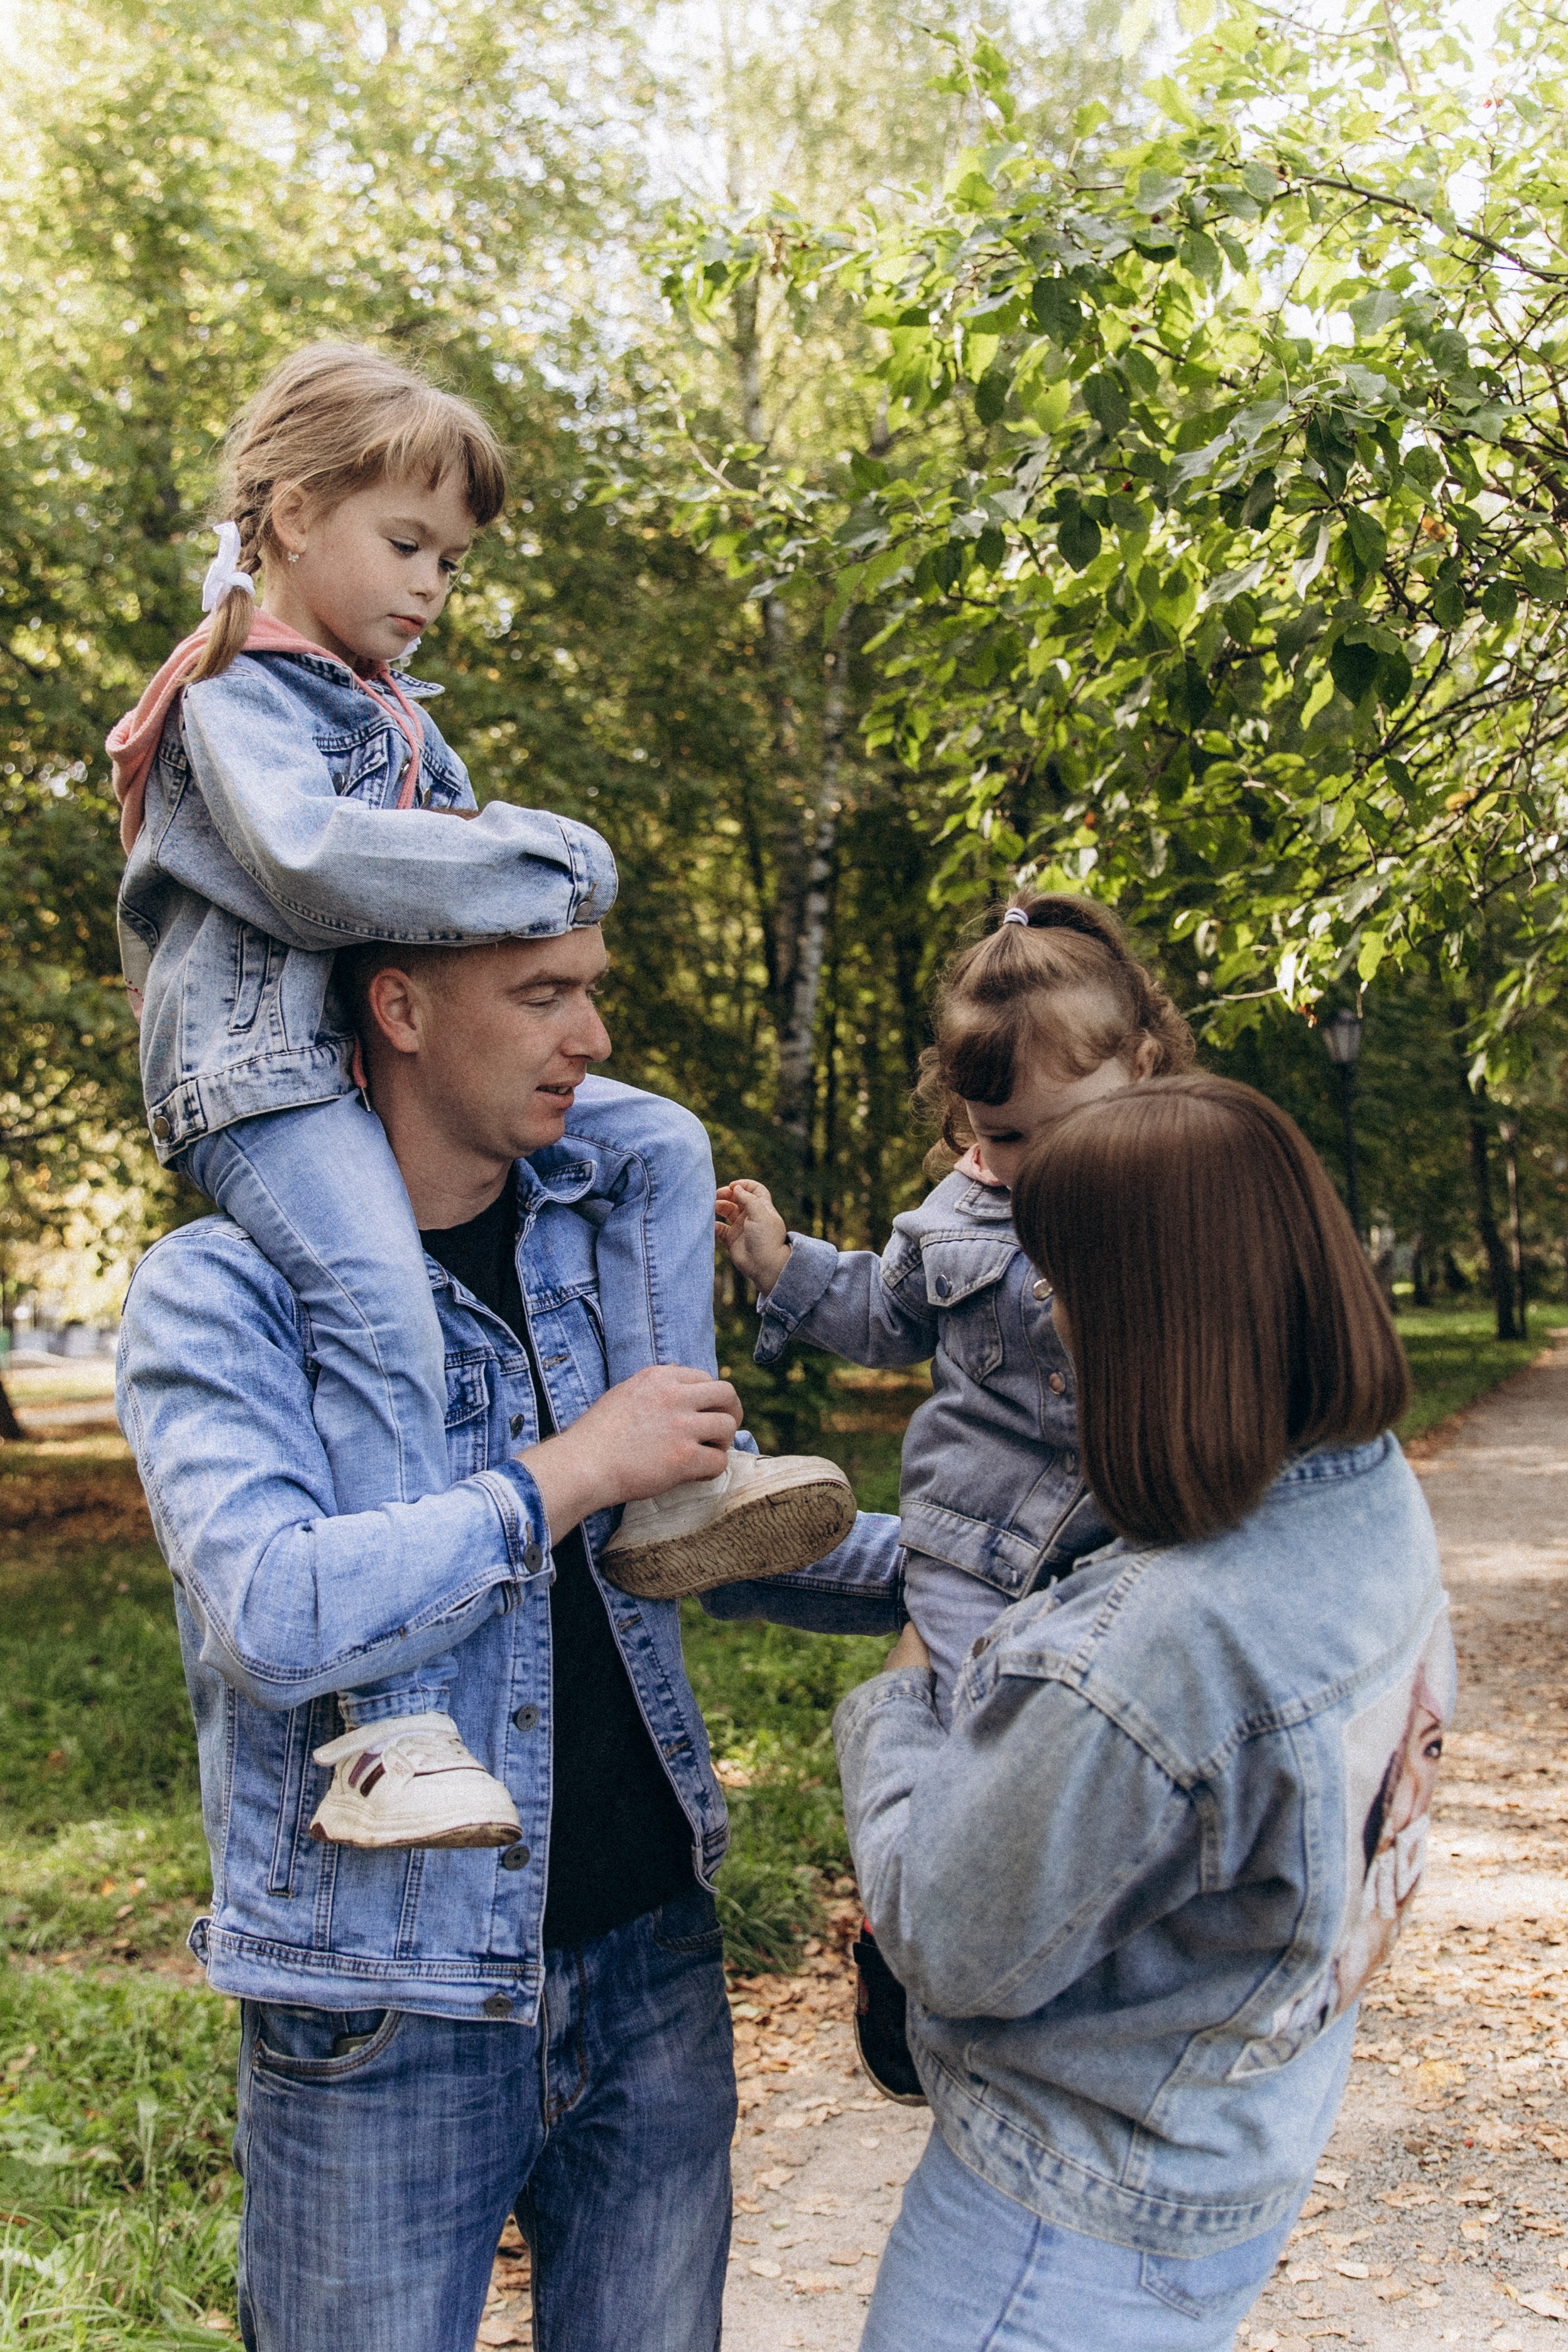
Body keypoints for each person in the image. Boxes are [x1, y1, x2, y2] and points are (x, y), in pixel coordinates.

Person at [116, 908, 902, 2352]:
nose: (591, 1039)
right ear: (401, 1012)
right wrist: (568, 1471)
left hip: (650, 1962)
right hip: (384, 2002)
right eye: (544, 996)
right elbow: (273, 1614)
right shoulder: (223, 1292)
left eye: (591, 992)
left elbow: (705, 1547)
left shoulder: (593, 1247)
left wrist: (1005, 1569)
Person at [107, 342, 852, 1848]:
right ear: (293, 514)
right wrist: (555, 858)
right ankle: (388, 1735)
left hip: (348, 1048)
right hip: (261, 1076)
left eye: (451, 560)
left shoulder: (388, 703)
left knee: (658, 1140)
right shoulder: (233, 694)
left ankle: (681, 1484)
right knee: (380, 1303)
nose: (432, 584)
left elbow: (462, 894)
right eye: (407, 544)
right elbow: (315, 866)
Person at [833, 1074, 1454, 2352]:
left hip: (1054, 2243)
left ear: (1154, 1321)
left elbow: (943, 1933)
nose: (1049, 1320)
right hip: (1230, 2141)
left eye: (1063, 1284)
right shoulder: (1361, 1497)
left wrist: (899, 1692)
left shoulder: (1158, 1650)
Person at [716, 892, 1192, 2095]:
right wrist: (782, 1265)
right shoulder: (957, 1217)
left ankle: (737, 1526)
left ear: (1142, 1067)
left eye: (1060, 1129)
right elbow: (883, 1313)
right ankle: (907, 1942)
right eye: (1004, 1138)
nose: (1033, 1165)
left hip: (1120, 1549)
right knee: (961, 1739)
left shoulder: (1186, 1190)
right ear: (967, 1121)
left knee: (1081, 1762)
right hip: (971, 1545)